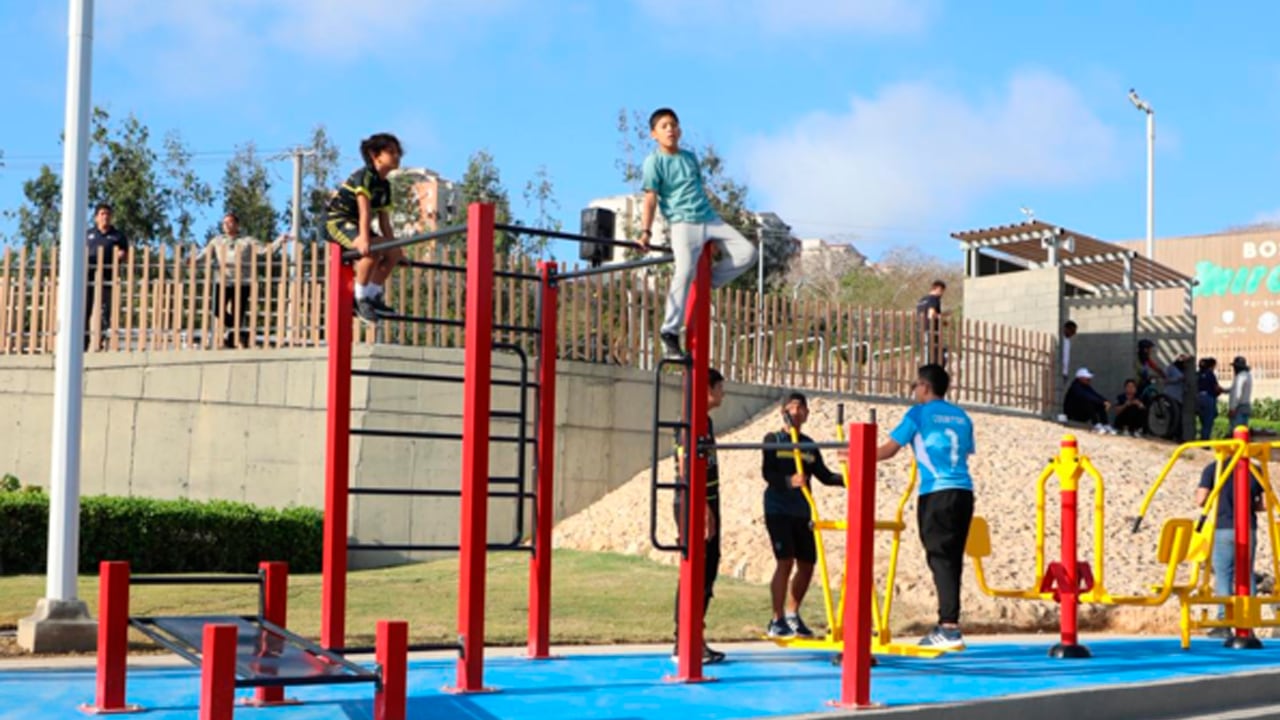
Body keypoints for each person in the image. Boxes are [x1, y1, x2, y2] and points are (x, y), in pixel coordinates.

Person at [637, 108, 757, 358]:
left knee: (748, 252)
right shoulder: (654, 162)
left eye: (674, 125)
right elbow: (650, 199)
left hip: (709, 219)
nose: (670, 129)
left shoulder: (690, 158)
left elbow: (698, 191)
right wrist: (645, 231)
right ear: (654, 134)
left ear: (679, 130)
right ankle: (669, 331)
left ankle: (708, 281)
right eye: (664, 126)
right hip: (683, 223)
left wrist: (711, 236)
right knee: (683, 272)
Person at [876, 363, 976, 650]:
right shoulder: (962, 416)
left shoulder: (918, 414)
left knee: (939, 557)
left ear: (925, 386)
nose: (913, 392)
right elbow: (964, 451)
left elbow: (888, 450)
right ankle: (949, 622)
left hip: (936, 492)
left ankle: (949, 627)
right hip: (963, 491)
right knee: (952, 557)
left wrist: (853, 454)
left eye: (915, 386)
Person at [760, 392, 843, 639]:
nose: (797, 412)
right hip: (778, 508)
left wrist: (850, 478)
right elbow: (768, 473)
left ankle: (793, 614)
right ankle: (777, 620)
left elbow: (825, 476)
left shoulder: (809, 445)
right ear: (783, 411)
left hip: (802, 510)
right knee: (784, 561)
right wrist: (789, 480)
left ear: (807, 413)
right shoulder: (772, 439)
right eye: (793, 407)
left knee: (807, 564)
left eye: (801, 408)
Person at [671, 368, 727, 664]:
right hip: (694, 501)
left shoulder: (704, 420)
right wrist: (702, 505)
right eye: (720, 387)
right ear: (708, 388)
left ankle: (693, 637)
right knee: (695, 570)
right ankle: (685, 640)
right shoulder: (691, 420)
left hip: (707, 500)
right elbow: (685, 464)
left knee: (707, 570)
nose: (723, 394)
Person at [325, 133, 406, 325]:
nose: (397, 156)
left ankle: (373, 294)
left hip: (358, 225)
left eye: (398, 153)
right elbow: (364, 211)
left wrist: (397, 249)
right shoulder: (364, 177)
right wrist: (364, 239)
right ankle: (359, 298)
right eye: (391, 152)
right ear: (374, 155)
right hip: (338, 221)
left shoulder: (385, 186)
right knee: (371, 250)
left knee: (393, 251)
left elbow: (384, 221)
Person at [197, 211, 287, 348]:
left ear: (237, 224)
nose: (226, 225)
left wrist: (280, 241)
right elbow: (204, 254)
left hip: (243, 281)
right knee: (217, 309)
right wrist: (193, 261)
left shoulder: (247, 240)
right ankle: (240, 334)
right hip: (223, 280)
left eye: (230, 222)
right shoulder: (217, 240)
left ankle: (235, 340)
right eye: (224, 223)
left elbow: (265, 251)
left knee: (237, 312)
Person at [1195, 457, 1263, 635]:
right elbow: (1262, 504)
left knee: (1224, 574)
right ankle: (1248, 621)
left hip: (1223, 526)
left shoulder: (1213, 468)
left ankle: (1224, 621)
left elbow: (1201, 499)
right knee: (1247, 573)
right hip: (1248, 528)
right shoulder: (1254, 469)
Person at [85, 203, 129, 350]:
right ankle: (83, 343)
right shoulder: (88, 235)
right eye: (102, 214)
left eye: (108, 214)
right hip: (88, 277)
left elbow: (126, 255)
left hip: (108, 276)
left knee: (105, 310)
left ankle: (101, 341)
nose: (105, 217)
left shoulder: (118, 236)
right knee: (85, 308)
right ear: (96, 217)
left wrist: (122, 255)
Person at [1063, 368, 1114, 434]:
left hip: (1083, 413)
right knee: (1088, 401)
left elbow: (1095, 394)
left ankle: (1106, 425)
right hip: (1073, 414)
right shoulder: (1075, 387)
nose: (1089, 380)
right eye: (1087, 378)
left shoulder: (1086, 386)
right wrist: (1101, 402)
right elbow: (1086, 396)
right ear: (1080, 378)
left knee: (1100, 404)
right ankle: (1096, 425)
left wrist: (1105, 401)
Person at [916, 280, 947, 365]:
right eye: (942, 291)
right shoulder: (934, 299)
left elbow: (924, 314)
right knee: (939, 358)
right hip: (931, 331)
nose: (942, 294)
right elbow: (931, 314)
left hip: (921, 330)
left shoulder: (922, 300)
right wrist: (944, 316)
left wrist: (942, 322)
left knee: (926, 355)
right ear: (938, 289)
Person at [1197, 358, 1225, 441]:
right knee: (1208, 421)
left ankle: (1202, 437)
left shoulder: (1198, 374)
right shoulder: (1210, 374)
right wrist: (1223, 391)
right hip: (1208, 398)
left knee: (1202, 420)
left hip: (1198, 397)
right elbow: (1216, 388)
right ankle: (1205, 440)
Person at [1228, 356, 1252, 431]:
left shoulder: (1240, 377)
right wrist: (1224, 390)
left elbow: (1237, 393)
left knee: (1237, 431)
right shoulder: (1248, 375)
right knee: (1244, 431)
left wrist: (1232, 408)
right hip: (1246, 406)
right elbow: (1234, 389)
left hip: (1238, 408)